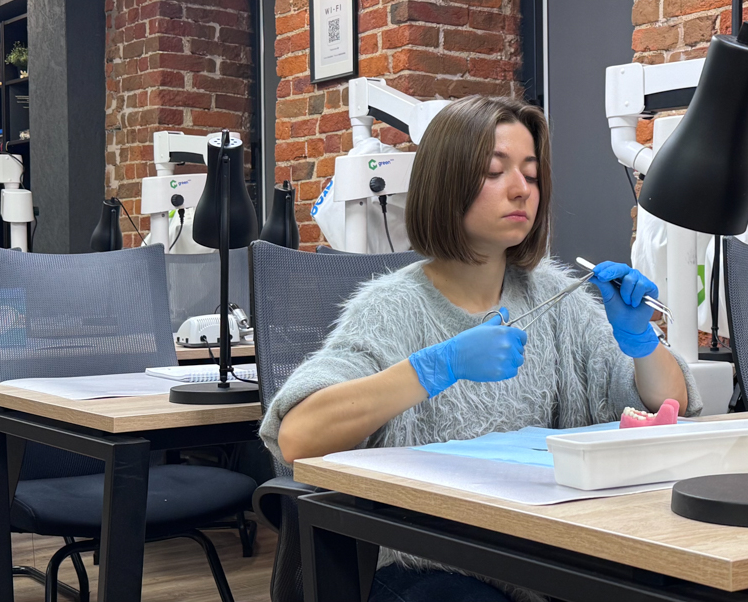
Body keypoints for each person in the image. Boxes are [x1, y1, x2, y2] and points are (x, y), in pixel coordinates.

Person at [260, 95, 702, 602]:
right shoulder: (391, 309)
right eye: (495, 172)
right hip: (425, 564)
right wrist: (435, 366)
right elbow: (298, 436)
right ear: (446, 185)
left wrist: (641, 342)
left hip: (542, 557)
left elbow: (670, 402)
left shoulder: (553, 297)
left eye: (531, 175)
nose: (521, 189)